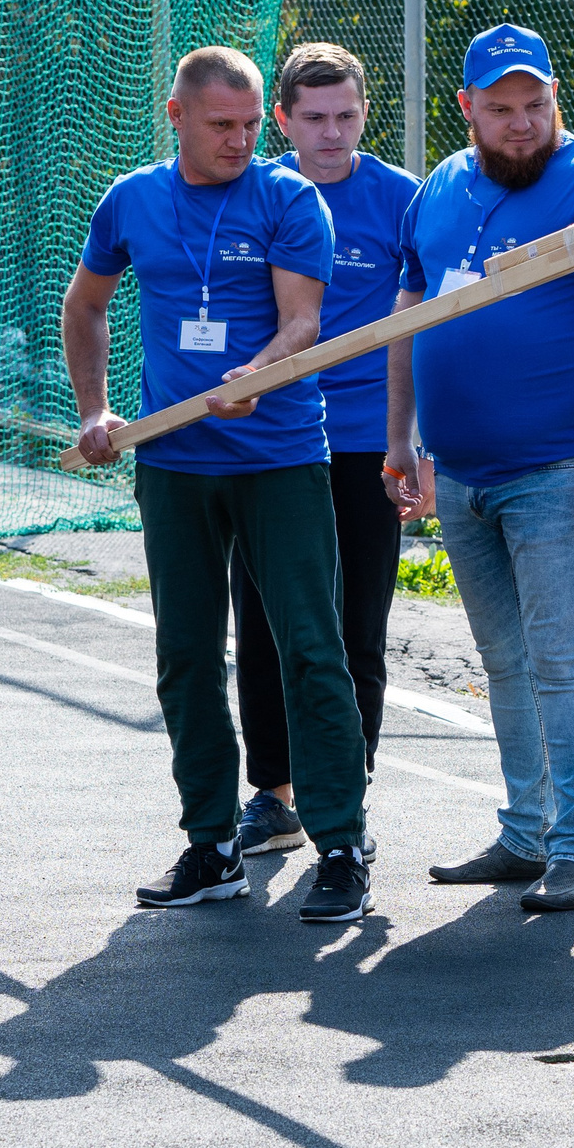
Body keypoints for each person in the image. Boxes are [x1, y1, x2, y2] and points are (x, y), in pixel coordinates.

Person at [64, 45, 372, 924]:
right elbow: (86, 304)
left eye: (249, 125)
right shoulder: (131, 201)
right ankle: (210, 842)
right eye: (222, 126)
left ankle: (341, 841)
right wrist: (97, 410)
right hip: (173, 464)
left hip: (278, 457)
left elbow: (303, 321)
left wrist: (257, 374)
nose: (242, 141)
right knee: (188, 655)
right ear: (178, 116)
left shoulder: (287, 198)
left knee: (312, 647)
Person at [386, 22, 574, 913]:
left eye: (534, 105)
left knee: (564, 658)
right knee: (503, 658)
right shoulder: (437, 190)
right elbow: (405, 320)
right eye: (499, 108)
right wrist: (404, 440)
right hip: (461, 470)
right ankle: (525, 832)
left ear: (555, 100)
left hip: (559, 469)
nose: (519, 123)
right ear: (465, 108)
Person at [229, 43, 421, 859]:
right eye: (314, 118)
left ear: (364, 114)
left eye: (346, 115)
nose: (332, 133)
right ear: (283, 120)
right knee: (266, 622)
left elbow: (430, 327)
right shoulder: (257, 194)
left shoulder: (404, 201)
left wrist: (418, 441)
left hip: (366, 445)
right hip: (271, 444)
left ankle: (348, 788)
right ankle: (275, 794)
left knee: (354, 627)